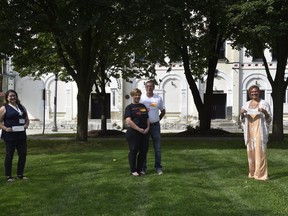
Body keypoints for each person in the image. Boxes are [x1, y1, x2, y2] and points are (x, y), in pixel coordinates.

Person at [240, 85, 272, 181]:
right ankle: (252, 172)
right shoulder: (246, 105)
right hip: (250, 132)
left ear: (259, 92)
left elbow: (269, 119)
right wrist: (242, 113)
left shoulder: (264, 104)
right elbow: (242, 120)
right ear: (250, 93)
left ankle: (261, 174)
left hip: (259, 131)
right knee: (251, 153)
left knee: (260, 153)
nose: (254, 93)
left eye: (256, 91)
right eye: (252, 92)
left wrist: (265, 112)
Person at [0, 89, 30, 182]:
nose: (13, 97)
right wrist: (5, 128)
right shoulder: (4, 108)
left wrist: (26, 125)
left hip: (21, 135)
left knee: (23, 154)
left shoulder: (21, 107)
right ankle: (9, 176)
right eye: (11, 96)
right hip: (9, 135)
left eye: (14, 95)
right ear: (7, 98)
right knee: (9, 155)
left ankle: (20, 174)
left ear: (16, 96)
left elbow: (26, 119)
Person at [141, 80, 166, 175]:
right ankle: (143, 168)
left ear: (153, 87)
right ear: (145, 87)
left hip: (155, 126)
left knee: (158, 147)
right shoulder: (142, 99)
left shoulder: (158, 99)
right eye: (147, 86)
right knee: (144, 147)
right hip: (145, 126)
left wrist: (157, 119)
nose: (149, 88)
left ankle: (158, 167)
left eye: (151, 86)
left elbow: (163, 111)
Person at [124, 88, 150, 176]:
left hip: (144, 132)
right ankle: (133, 170)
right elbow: (128, 120)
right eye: (136, 95)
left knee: (143, 151)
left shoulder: (143, 106)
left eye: (139, 95)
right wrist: (139, 129)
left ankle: (139, 170)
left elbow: (147, 118)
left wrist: (147, 129)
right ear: (132, 96)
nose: (137, 96)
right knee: (133, 150)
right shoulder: (129, 108)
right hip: (133, 132)